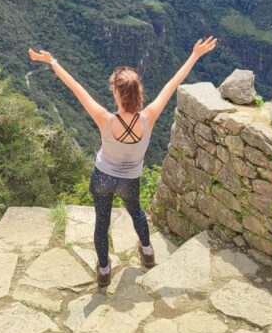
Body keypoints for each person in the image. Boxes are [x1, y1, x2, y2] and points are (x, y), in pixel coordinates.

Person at [28, 37, 218, 289]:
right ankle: (148, 252)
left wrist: (52, 61)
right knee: (136, 212)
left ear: (116, 92)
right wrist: (194, 55)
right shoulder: (149, 117)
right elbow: (173, 84)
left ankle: (104, 269)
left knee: (102, 222)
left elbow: (76, 87)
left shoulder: (104, 119)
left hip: (103, 178)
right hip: (130, 181)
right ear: (138, 93)